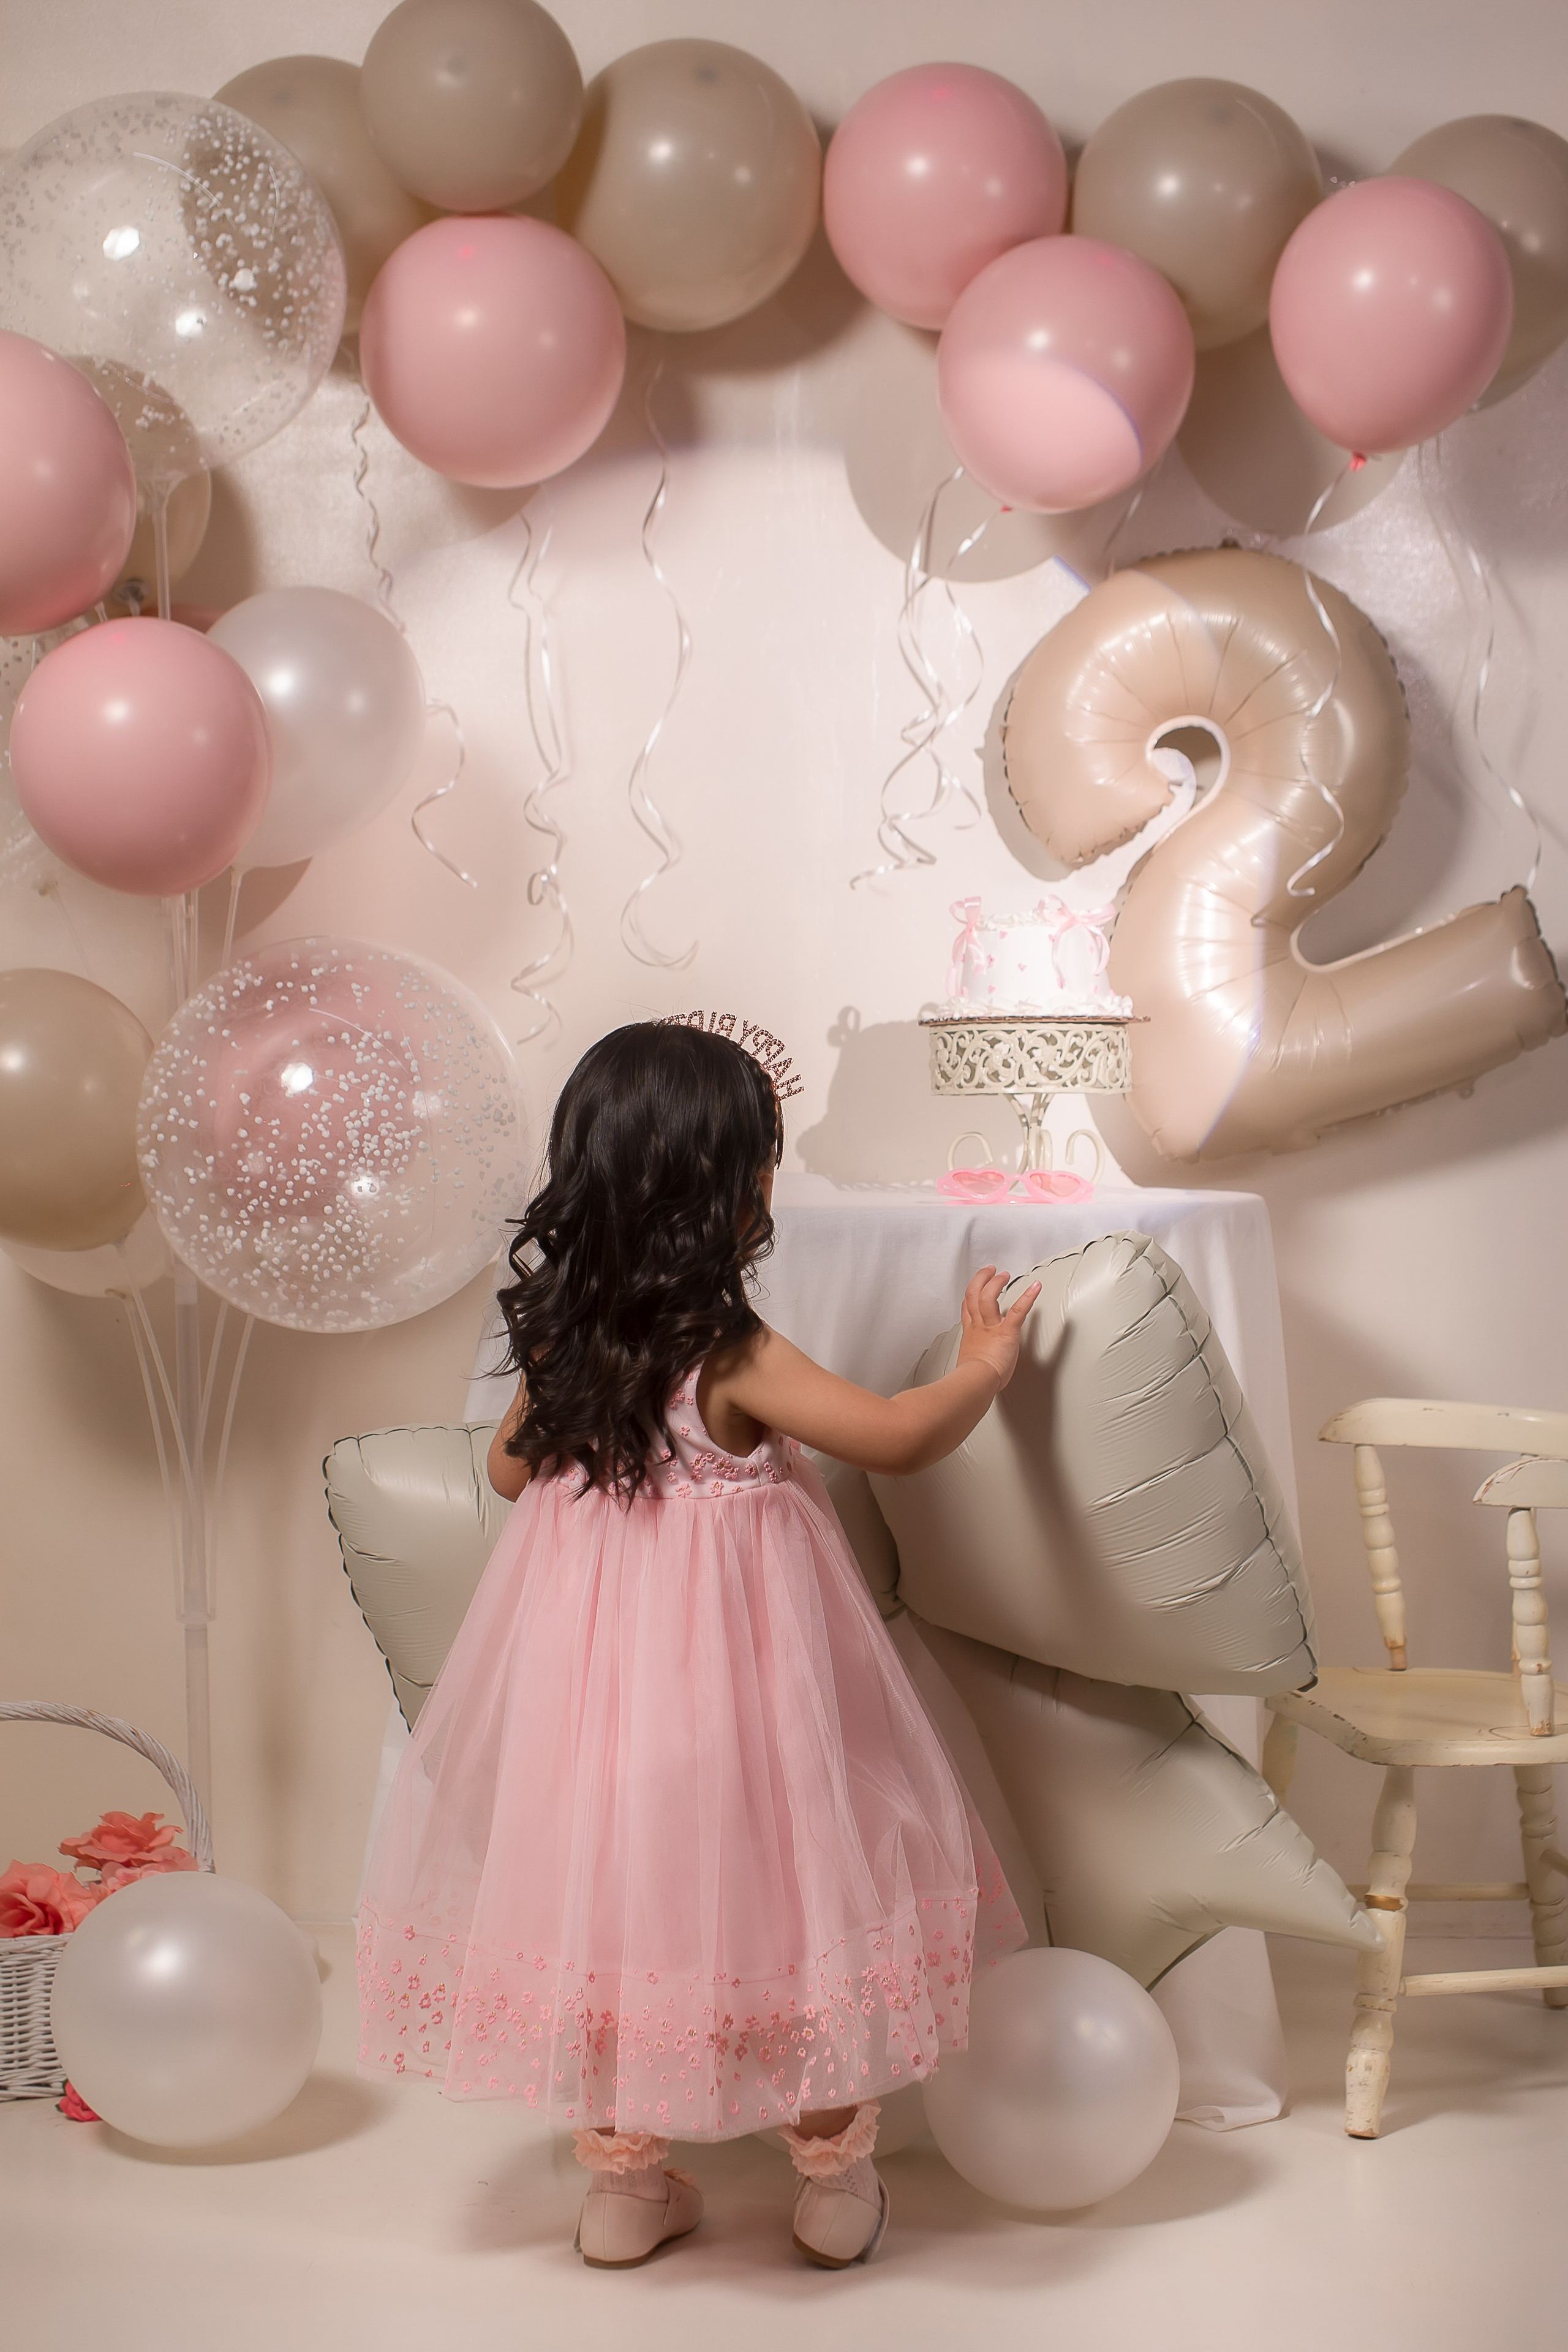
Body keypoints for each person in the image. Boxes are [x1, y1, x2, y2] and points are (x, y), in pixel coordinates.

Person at [357, 1020, 1034, 2271]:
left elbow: (509, 1475)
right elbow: (888, 1434)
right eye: (763, 1162)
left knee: (610, 1908)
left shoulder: (569, 1338)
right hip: (740, 1699)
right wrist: (984, 1367)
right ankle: (830, 2186)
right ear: (726, 1187)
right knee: (791, 1893)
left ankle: (624, 2188)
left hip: (593, 1702)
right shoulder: (725, 1349)